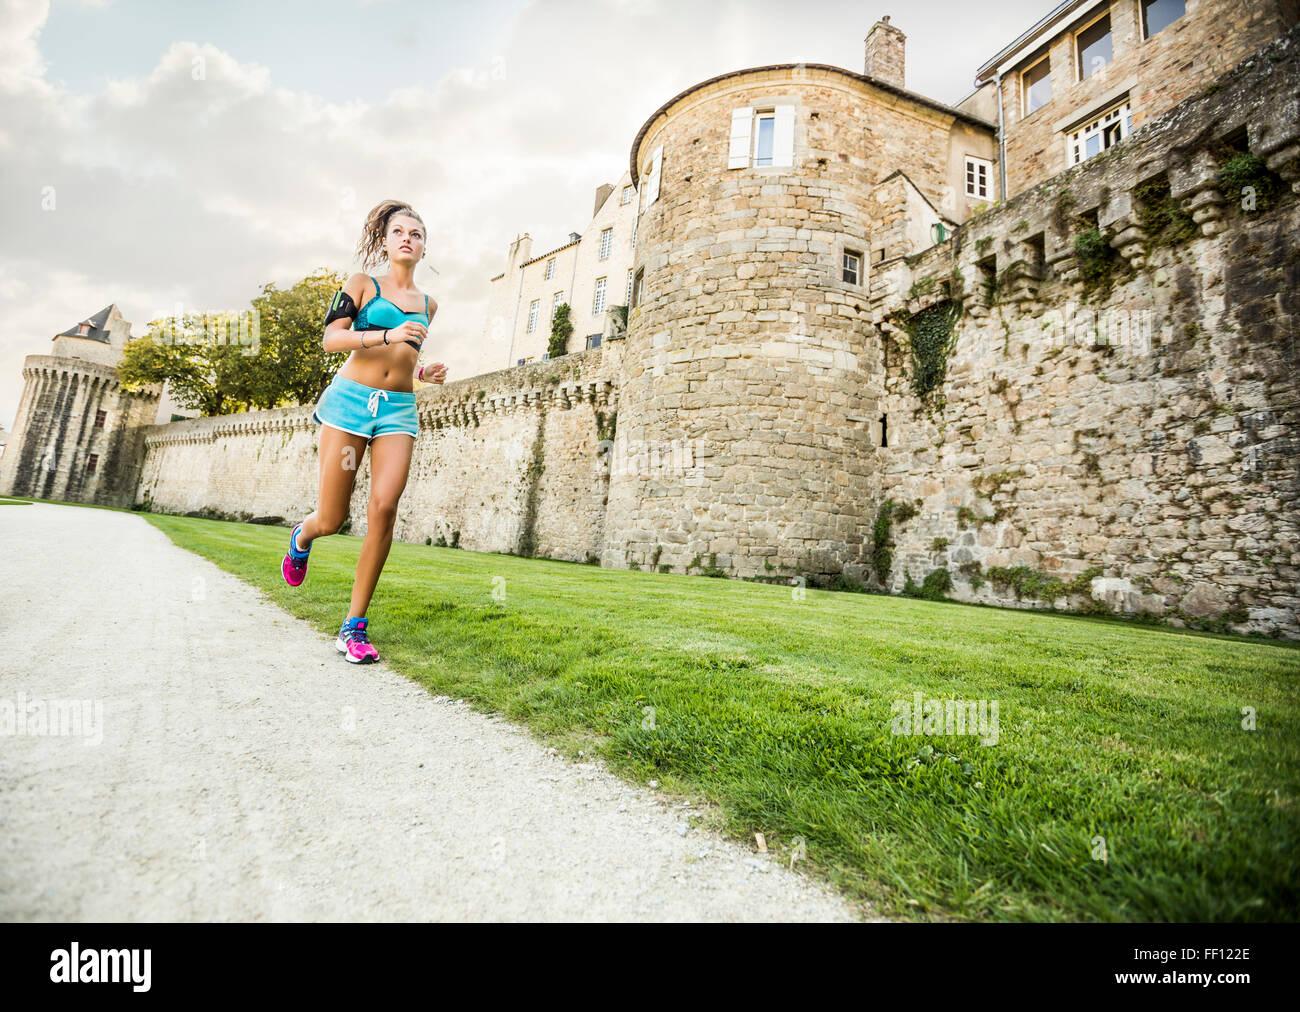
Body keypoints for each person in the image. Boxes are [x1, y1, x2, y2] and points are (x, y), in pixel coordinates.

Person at [281, 199, 448, 663]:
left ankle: (354, 627)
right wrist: (385, 336)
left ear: (423, 245)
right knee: (332, 519)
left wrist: (421, 374)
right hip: (350, 403)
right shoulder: (361, 284)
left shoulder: (429, 304)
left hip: (398, 409)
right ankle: (302, 537)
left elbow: (402, 358)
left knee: (385, 507)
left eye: (416, 233)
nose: (408, 238)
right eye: (399, 232)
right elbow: (331, 338)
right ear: (387, 240)